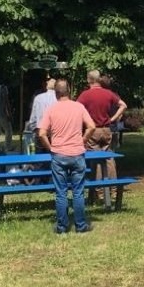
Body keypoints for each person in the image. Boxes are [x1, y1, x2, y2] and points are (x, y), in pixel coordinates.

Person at [38, 78, 96, 234]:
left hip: (59, 154)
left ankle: (62, 226)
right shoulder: (79, 107)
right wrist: (83, 140)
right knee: (78, 191)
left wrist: (50, 147)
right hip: (77, 153)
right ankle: (81, 225)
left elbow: (42, 133)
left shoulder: (51, 109)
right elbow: (91, 126)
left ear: (56, 93)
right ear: (69, 91)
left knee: (61, 192)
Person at [76, 70, 126, 181]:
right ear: (99, 79)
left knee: (96, 159)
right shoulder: (108, 93)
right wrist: (112, 119)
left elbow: (76, 109)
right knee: (109, 157)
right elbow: (123, 105)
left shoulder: (85, 95)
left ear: (89, 80)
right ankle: (112, 186)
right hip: (107, 129)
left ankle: (99, 189)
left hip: (93, 130)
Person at [27, 77, 57, 151]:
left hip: (41, 132)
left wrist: (35, 130)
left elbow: (33, 119)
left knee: (40, 157)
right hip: (55, 133)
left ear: (46, 86)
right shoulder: (59, 99)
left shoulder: (38, 98)